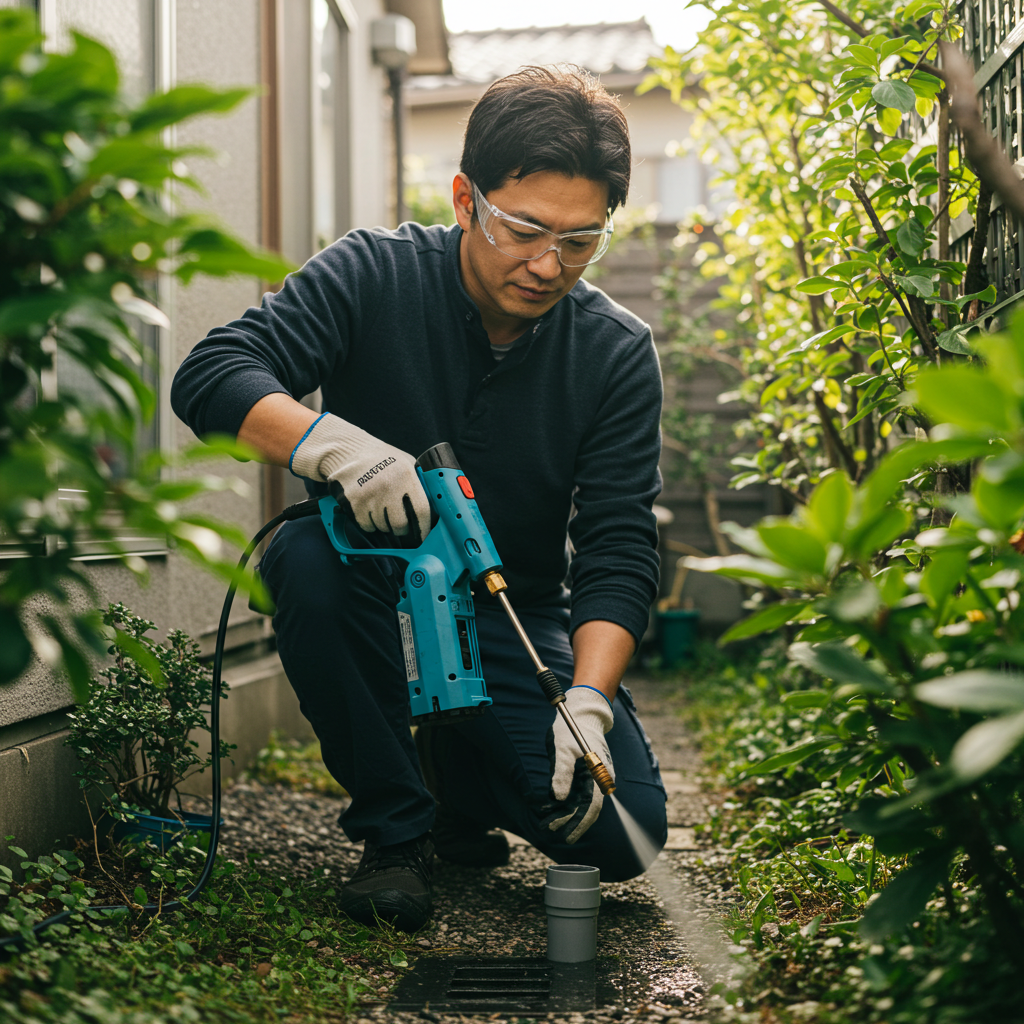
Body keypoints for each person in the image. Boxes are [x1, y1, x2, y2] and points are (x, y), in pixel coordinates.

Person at [171, 65, 668, 932]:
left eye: (581, 242)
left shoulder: (616, 353)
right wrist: (333, 447)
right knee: (304, 559)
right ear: (465, 197)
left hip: (517, 612)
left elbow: (621, 544)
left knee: (621, 836)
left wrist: (587, 698)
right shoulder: (372, 274)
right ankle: (395, 834)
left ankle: (458, 787)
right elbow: (212, 374)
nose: (548, 265)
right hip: (372, 587)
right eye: (525, 230)